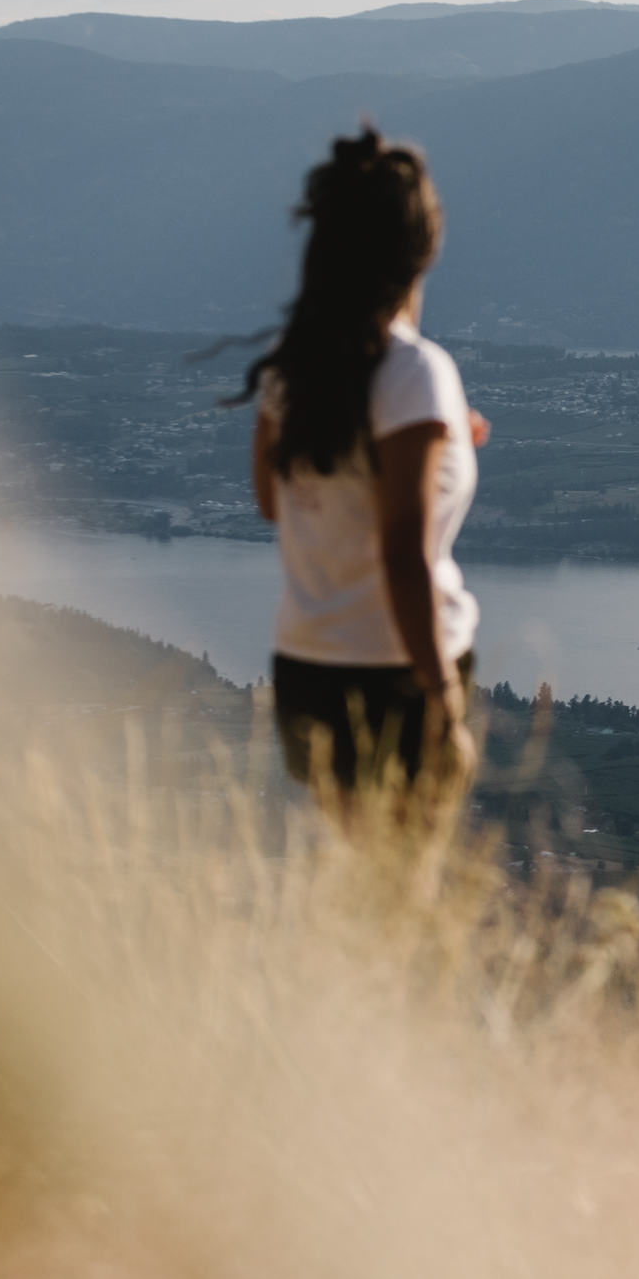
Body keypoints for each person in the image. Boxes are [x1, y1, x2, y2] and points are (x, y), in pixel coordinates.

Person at [237, 125, 488, 820]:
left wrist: (444, 450)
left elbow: (274, 500)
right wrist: (439, 696)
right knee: (406, 889)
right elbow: (402, 552)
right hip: (397, 671)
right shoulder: (414, 372)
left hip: (308, 668)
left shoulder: (297, 369)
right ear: (424, 246)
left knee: (366, 879)